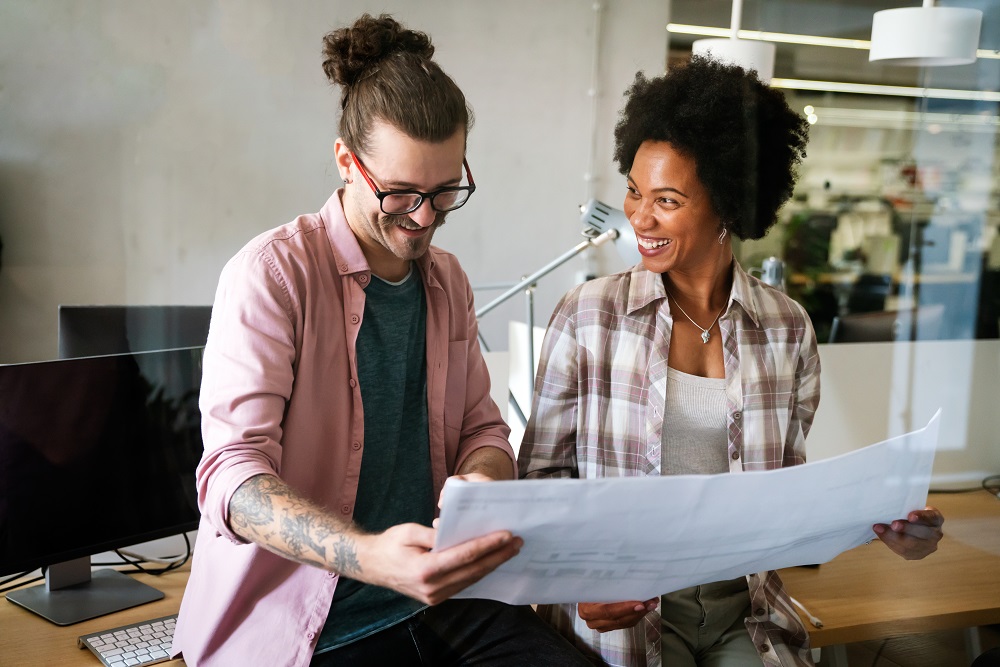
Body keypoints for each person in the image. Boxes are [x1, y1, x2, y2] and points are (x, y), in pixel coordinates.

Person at [173, 14, 587, 667]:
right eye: (400, 194)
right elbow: (233, 480)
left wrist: (477, 482)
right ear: (346, 160)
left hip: (444, 602)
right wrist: (369, 555)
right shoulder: (271, 275)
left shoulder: (446, 281)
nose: (424, 218)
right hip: (307, 626)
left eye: (445, 190)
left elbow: (484, 430)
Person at [518, 55, 944, 667]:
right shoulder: (589, 315)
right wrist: (578, 579)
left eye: (667, 199)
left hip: (743, 610)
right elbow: (540, 479)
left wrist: (882, 524)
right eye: (635, 191)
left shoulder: (786, 328)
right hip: (623, 611)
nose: (639, 217)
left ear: (728, 205)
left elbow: (787, 500)